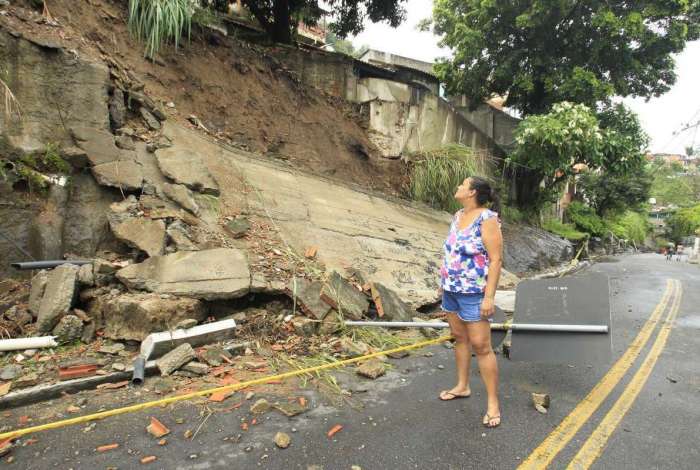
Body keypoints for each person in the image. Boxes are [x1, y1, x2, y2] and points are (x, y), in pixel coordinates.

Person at [438, 176, 503, 428]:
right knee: (459, 337)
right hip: (451, 290)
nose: (458, 187)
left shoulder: (487, 219)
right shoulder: (457, 215)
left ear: (472, 191)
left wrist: (489, 296)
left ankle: (493, 403)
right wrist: (444, 281)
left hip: (474, 293)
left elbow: (495, 260)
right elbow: (452, 252)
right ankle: (462, 386)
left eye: (462, 185)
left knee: (482, 346)